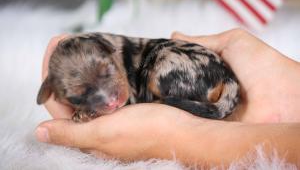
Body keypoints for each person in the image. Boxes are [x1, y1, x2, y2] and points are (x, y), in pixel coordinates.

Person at [35, 29, 300, 167]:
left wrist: (182, 136)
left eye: (107, 73)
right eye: (83, 96)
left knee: (158, 71)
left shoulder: (119, 49)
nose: (110, 99)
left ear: (108, 50)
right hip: (202, 79)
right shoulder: (101, 58)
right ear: (52, 92)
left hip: (194, 70)